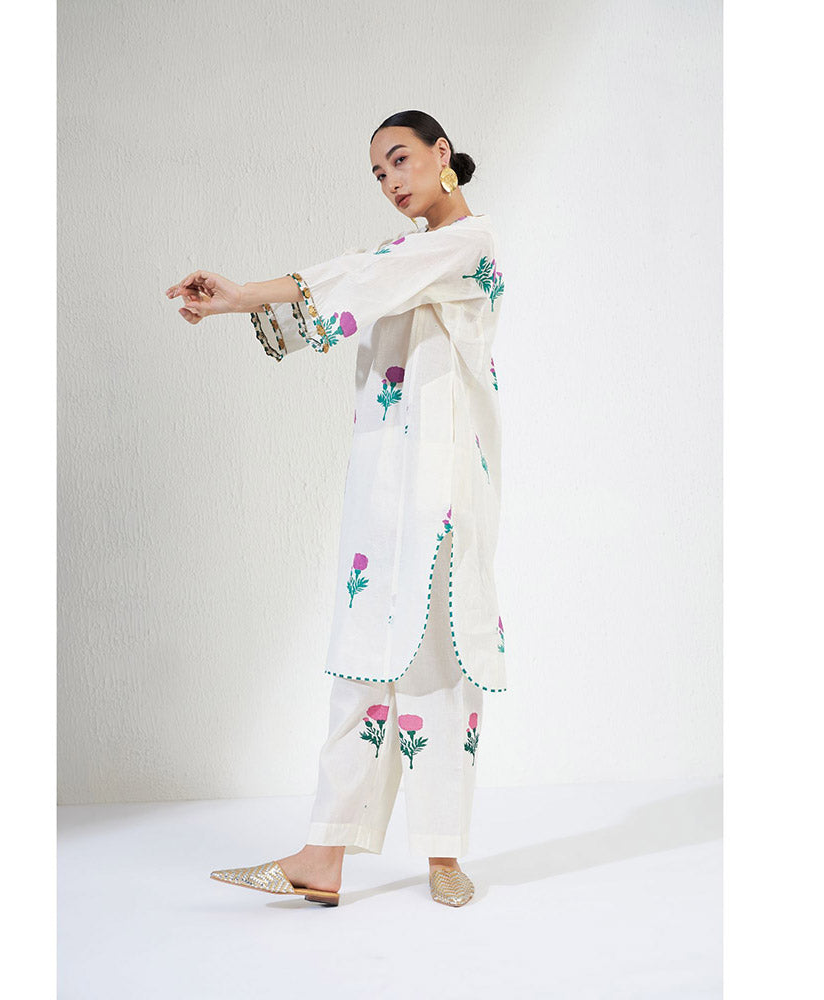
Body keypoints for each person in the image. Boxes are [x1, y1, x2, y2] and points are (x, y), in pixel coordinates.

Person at [165, 110, 508, 908]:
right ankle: (323, 856)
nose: (390, 181)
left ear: (442, 154)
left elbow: (361, 276)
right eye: (378, 173)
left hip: (445, 487)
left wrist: (244, 295)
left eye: (400, 160)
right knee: (364, 657)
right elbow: (359, 276)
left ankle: (444, 851)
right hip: (386, 482)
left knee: (440, 661)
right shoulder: (404, 255)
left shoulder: (469, 243)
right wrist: (240, 298)